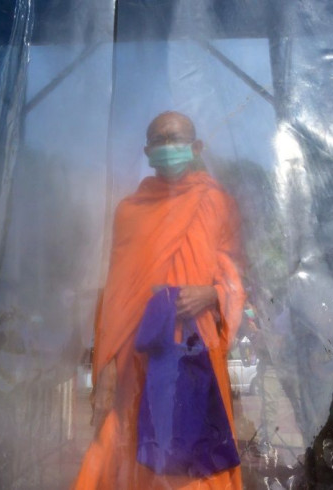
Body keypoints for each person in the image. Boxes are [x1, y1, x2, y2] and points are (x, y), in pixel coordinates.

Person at [73, 112, 246, 489]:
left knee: (196, 453)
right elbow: (117, 293)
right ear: (147, 151)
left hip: (194, 352)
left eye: (176, 138)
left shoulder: (216, 202)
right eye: (159, 140)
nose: (168, 147)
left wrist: (212, 293)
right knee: (124, 445)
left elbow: (234, 274)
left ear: (196, 147)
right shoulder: (130, 211)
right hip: (139, 355)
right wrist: (104, 364)